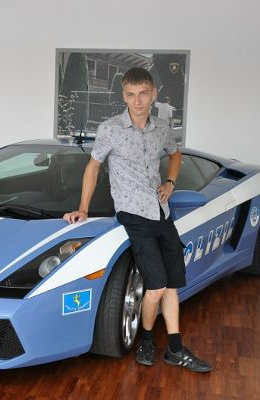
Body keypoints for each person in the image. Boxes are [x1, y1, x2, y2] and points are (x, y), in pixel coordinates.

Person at [63, 67, 211, 372]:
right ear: (123, 96)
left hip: (162, 213)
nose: (137, 100)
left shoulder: (162, 128)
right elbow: (93, 167)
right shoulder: (110, 129)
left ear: (153, 94)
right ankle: (146, 340)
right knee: (155, 287)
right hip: (134, 216)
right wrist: (83, 209)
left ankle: (175, 349)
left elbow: (175, 155)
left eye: (143, 93)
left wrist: (170, 182)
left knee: (172, 286)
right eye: (131, 94)